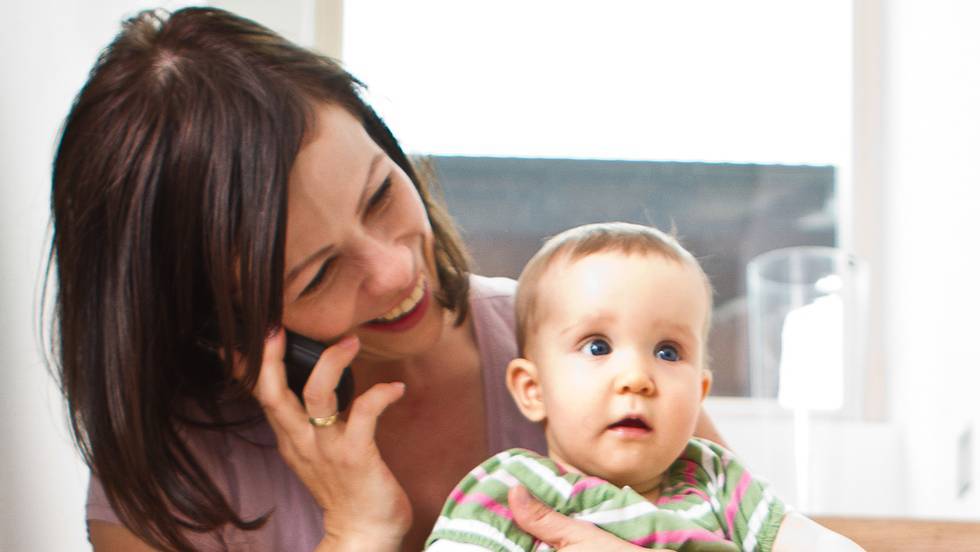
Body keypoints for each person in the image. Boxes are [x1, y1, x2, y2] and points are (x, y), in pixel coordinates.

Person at [49, 7, 727, 552]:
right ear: (212, 324)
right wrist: (357, 534)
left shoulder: (601, 355)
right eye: (319, 275)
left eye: (380, 195)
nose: (396, 269)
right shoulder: (166, 487)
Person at [425, 222, 864, 551]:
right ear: (533, 389)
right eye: (597, 347)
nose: (636, 378)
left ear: (699, 392)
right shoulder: (512, 490)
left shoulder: (718, 483)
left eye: (668, 352)